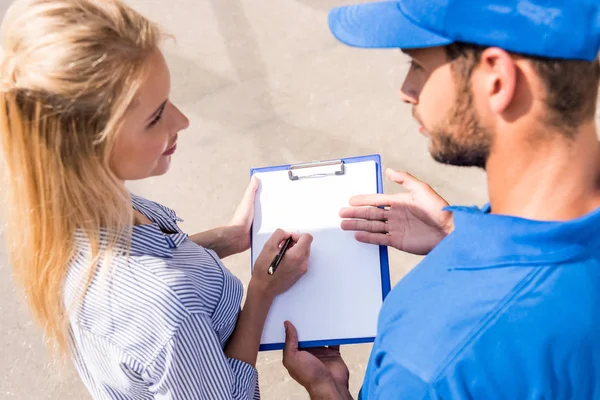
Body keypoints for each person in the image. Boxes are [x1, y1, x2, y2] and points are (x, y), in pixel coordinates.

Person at [281, 0, 600, 398]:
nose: (406, 91)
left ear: (497, 80)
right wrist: (458, 231)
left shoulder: (432, 357)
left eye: (417, 64)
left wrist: (328, 391)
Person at [0, 0, 313, 399]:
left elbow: (157, 261)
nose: (182, 121)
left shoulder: (70, 216)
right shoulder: (165, 310)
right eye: (155, 116)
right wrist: (262, 292)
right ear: (87, 144)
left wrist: (228, 238)